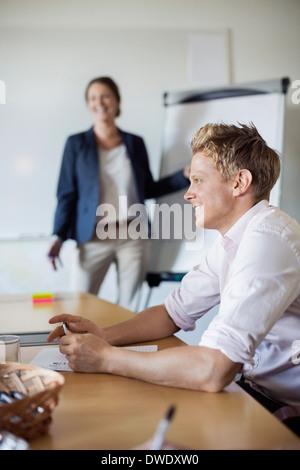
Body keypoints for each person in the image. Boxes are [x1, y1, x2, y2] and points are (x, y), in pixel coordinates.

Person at [47, 122, 300, 418]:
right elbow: (171, 313)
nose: (188, 194)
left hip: (286, 407)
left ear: (239, 182)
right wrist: (104, 335)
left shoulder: (268, 241)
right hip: (256, 391)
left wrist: (106, 358)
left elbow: (213, 368)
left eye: (198, 180)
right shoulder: (233, 239)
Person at [47, 77, 189, 310]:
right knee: (79, 307)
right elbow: (66, 194)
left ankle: (119, 348)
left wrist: (183, 175)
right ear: (88, 104)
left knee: (128, 309)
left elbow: (148, 189)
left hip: (133, 235)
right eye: (93, 98)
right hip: (93, 237)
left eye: (105, 96)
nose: (99, 102)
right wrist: (58, 237)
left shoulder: (134, 143)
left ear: (116, 101)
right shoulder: (76, 144)